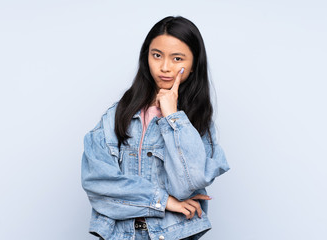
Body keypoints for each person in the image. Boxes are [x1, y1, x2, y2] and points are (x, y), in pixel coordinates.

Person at [81, 16, 230, 240]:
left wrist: (172, 115)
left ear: (192, 66)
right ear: (146, 57)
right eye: (156, 55)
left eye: (177, 58)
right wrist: (164, 201)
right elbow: (97, 182)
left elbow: (190, 182)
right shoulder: (116, 116)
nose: (164, 67)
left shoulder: (197, 122)